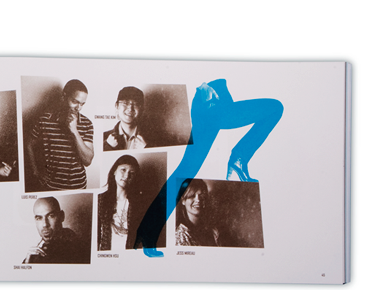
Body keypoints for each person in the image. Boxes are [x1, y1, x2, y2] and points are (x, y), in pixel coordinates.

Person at [134, 79, 283, 257]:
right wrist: (206, 91)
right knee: (275, 107)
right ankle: (239, 158)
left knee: (186, 171)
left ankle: (146, 232)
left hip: (215, 102)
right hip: (212, 103)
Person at [27, 79, 94, 191]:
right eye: (75, 101)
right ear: (64, 97)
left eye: (82, 104)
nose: (78, 108)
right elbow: (29, 144)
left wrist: (74, 131)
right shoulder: (45, 119)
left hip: (78, 186)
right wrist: (36, 171)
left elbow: (87, 161)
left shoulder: (87, 124)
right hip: (51, 186)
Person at [23, 197, 89, 264]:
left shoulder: (74, 248)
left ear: (61, 216)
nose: (45, 224)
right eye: (39, 218)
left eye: (51, 216)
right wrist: (27, 262)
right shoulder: (41, 247)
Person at [97, 155, 143, 251]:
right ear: (114, 171)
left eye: (132, 173)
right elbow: (96, 234)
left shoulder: (140, 203)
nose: (126, 176)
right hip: (107, 252)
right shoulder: (101, 199)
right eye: (123, 170)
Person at [175, 179, 220, 246]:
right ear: (183, 200)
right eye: (192, 196)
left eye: (201, 195)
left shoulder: (213, 231)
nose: (198, 200)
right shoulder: (180, 236)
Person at [103, 86, 147, 151]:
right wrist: (107, 146)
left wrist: (147, 148)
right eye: (125, 103)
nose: (130, 109)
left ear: (142, 109)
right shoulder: (104, 138)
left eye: (135, 104)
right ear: (116, 106)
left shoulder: (153, 138)